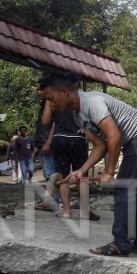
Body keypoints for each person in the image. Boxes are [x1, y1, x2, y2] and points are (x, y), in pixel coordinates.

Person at [43, 71, 137, 256]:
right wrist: (81, 171)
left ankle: (121, 244)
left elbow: (114, 137)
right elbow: (100, 145)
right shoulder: (78, 115)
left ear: (65, 92)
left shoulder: (92, 102)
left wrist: (109, 171)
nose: (51, 105)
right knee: (133, 193)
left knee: (124, 190)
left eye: (51, 98)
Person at [38, 76, 95, 220]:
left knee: (62, 176)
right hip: (77, 138)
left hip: (60, 139)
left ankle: (67, 212)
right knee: (82, 177)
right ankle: (85, 213)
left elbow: (46, 121)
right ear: (76, 84)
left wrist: (48, 101)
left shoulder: (54, 100)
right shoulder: (80, 99)